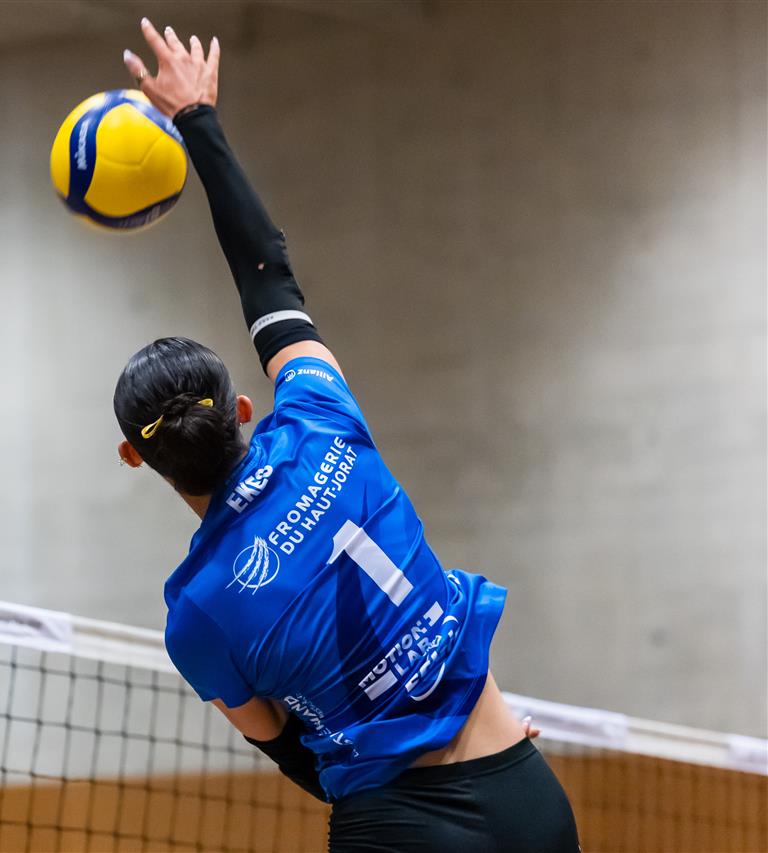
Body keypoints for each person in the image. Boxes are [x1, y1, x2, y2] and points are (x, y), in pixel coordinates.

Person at [116, 20, 580, 852]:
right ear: (243, 408)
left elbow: (285, 747)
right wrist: (197, 120)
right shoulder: (319, 418)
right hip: (522, 789)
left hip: (395, 824)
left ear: (136, 456)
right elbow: (269, 276)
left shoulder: (196, 616)